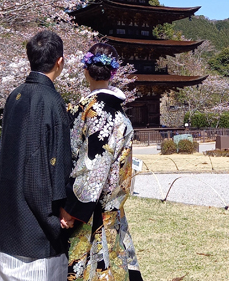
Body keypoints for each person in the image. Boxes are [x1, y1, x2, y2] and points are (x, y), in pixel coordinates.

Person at [0, 30, 72, 280]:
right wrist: (58, 217)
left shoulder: (14, 96)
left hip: (7, 229)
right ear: (60, 61)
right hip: (36, 242)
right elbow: (54, 169)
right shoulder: (52, 102)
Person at [61, 42, 143, 281]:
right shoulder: (116, 112)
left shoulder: (91, 110)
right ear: (114, 73)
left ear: (85, 71)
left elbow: (93, 167)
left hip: (89, 211)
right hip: (107, 207)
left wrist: (71, 209)